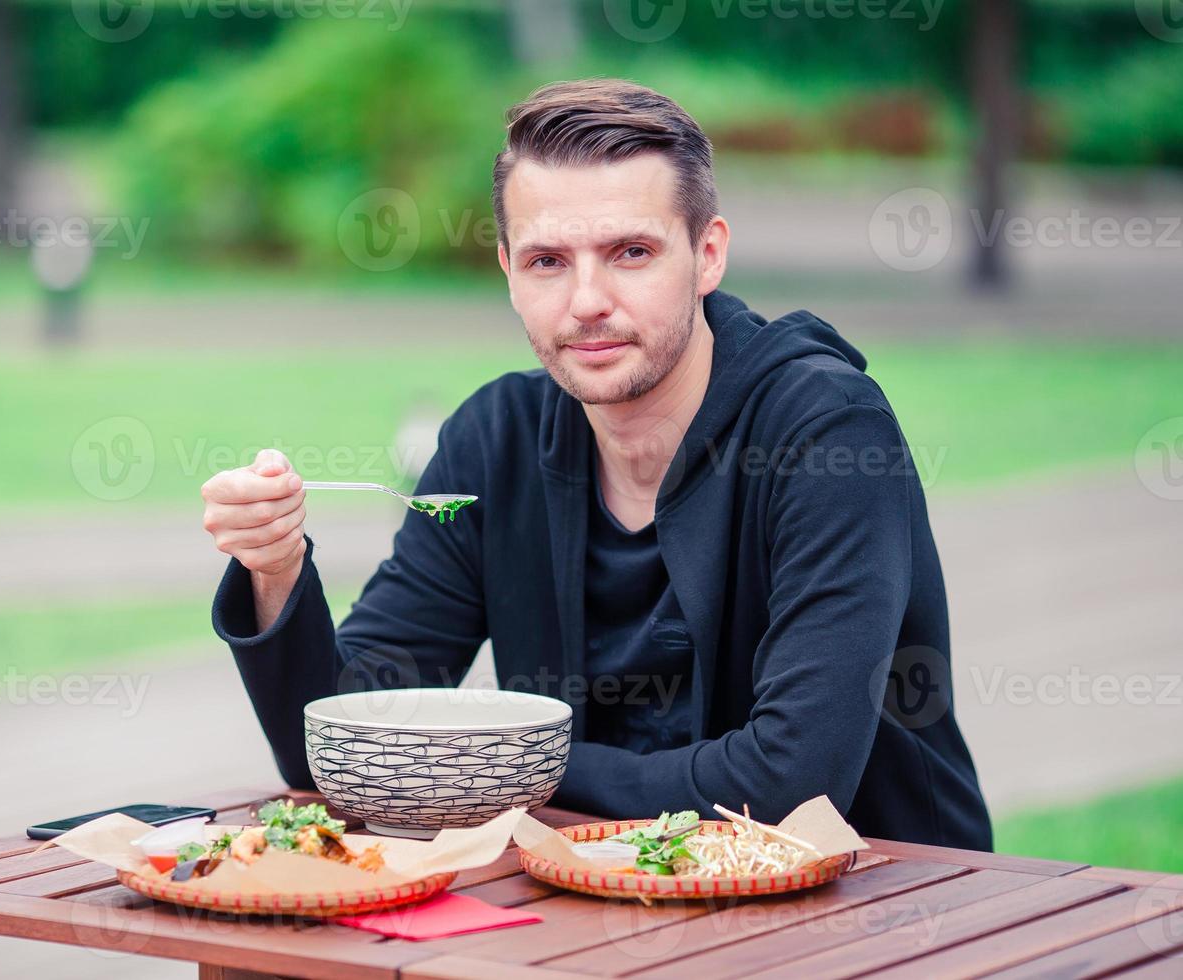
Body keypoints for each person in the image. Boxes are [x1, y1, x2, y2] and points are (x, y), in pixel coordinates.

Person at [200, 79, 992, 849]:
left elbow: (788, 783)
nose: (587, 301)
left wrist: (499, 758)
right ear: (509, 273)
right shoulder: (493, 440)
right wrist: (275, 571)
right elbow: (340, 750)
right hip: (599, 894)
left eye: (631, 252)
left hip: (885, 904)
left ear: (707, 254)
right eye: (549, 261)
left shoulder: (826, 435)